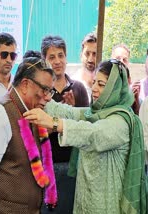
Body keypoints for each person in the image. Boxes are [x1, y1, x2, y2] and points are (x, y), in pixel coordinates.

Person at [24, 59, 147, 214]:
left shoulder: (121, 122)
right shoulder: (95, 114)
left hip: (107, 206)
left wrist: (53, 123)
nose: (94, 88)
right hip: (85, 202)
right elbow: (68, 112)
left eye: (102, 85)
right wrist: (39, 92)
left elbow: (92, 134)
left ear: (115, 89)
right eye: (94, 82)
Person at [0, 57, 57, 213]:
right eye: (45, 89)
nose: (49, 97)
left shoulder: (33, 112)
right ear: (25, 85)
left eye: (51, 91)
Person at [40, 35, 89, 214]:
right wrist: (62, 117)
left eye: (61, 55)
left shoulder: (79, 89)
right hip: (48, 166)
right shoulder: (41, 92)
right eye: (52, 57)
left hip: (73, 166)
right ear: (44, 60)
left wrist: (73, 112)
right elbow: (36, 130)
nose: (57, 61)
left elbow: (89, 128)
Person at [111, 43, 141, 114]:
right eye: (117, 59)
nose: (121, 62)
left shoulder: (133, 90)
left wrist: (135, 100)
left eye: (124, 60)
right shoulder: (102, 84)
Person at [72, 32, 97, 101]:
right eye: (87, 53)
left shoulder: (105, 85)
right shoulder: (73, 83)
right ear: (81, 55)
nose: (90, 59)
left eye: (94, 54)